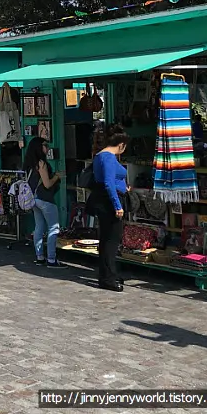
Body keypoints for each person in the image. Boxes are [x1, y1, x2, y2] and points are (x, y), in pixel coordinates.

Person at [88, 124, 130, 292]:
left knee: (108, 240)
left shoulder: (101, 156)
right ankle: (107, 278)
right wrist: (117, 205)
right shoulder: (108, 158)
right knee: (110, 241)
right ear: (121, 145)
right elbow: (108, 183)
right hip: (109, 202)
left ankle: (110, 273)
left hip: (107, 200)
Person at [23, 136, 64, 268]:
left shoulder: (29, 164)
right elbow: (47, 184)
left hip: (34, 199)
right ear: (39, 148)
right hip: (45, 199)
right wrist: (57, 176)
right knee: (53, 228)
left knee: (39, 228)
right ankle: (51, 259)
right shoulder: (41, 163)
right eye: (45, 145)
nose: (48, 148)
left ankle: (40, 257)